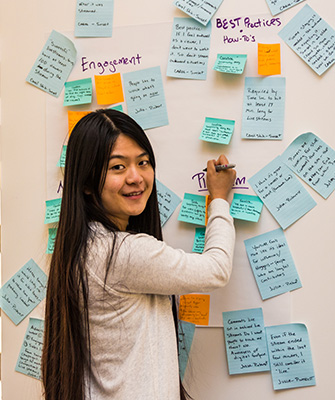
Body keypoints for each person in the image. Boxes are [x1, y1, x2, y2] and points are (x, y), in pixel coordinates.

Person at [42, 108, 236, 400]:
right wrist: (219, 200)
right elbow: (216, 269)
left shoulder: (85, 245)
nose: (136, 177)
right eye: (117, 167)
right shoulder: (122, 252)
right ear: (85, 182)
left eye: (143, 162)